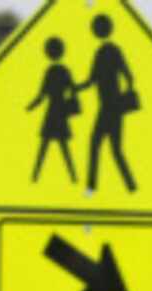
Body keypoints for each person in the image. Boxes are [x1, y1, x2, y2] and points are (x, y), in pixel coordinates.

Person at [81, 13, 138, 195]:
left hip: (110, 107)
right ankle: (128, 186)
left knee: (102, 146)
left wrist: (125, 94)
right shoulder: (107, 51)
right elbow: (126, 75)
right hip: (110, 107)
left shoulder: (109, 51)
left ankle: (95, 187)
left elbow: (92, 80)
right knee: (110, 148)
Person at [27, 36, 79, 183]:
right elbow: (73, 89)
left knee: (49, 146)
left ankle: (36, 177)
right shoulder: (63, 71)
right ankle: (71, 177)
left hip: (54, 111)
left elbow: (42, 95)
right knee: (55, 146)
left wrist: (32, 106)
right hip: (59, 111)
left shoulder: (51, 71)